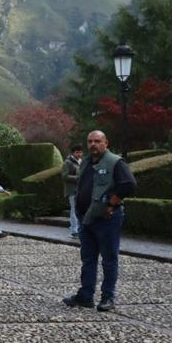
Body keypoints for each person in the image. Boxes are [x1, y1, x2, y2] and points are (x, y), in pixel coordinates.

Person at [61, 130, 136, 313]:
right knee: (88, 259)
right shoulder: (86, 162)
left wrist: (111, 204)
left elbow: (129, 184)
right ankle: (86, 296)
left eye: (97, 141)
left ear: (106, 143)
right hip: (86, 218)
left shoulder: (115, 162)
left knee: (109, 259)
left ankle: (108, 297)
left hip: (106, 219)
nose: (93, 144)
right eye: (90, 141)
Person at [62, 144, 84, 239]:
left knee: (80, 210)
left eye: (80, 152)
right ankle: (74, 231)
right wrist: (78, 178)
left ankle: (79, 229)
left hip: (81, 190)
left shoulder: (81, 162)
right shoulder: (68, 163)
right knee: (74, 210)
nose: (79, 154)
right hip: (72, 190)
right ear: (73, 153)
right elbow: (65, 176)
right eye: (77, 152)